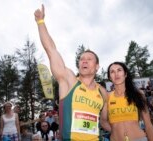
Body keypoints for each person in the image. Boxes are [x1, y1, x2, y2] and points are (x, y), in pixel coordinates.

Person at [34, 4, 108, 140]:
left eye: (89, 59)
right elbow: (51, 49)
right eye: (81, 59)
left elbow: (105, 122)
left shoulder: (102, 92)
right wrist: (40, 22)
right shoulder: (69, 80)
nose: (84, 61)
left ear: (97, 66)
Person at [104, 62, 153, 141]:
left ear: (125, 74)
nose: (116, 74)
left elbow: (148, 125)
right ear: (110, 77)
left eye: (119, 70)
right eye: (112, 72)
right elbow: (103, 121)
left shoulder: (138, 94)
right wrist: (115, 131)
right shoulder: (106, 97)